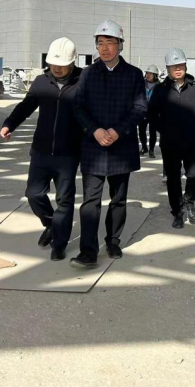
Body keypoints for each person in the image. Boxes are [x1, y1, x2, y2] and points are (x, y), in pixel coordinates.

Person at [70, 20, 148, 269]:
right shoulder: (88, 74)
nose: (104, 48)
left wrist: (117, 131)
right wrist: (94, 130)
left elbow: (140, 108)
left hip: (121, 147)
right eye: (100, 43)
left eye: (109, 43)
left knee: (118, 199)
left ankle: (113, 241)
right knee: (90, 201)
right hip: (93, 147)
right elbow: (78, 106)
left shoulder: (134, 75)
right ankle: (88, 252)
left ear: (120, 45)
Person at [0, 38, 82, 261]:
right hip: (41, 150)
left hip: (68, 153)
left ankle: (59, 244)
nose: (57, 68)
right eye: (53, 63)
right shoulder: (41, 82)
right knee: (33, 194)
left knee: (65, 200)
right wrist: (9, 124)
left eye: (62, 65)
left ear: (72, 62)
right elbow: (25, 106)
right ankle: (51, 223)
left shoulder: (84, 81)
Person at [149, 47, 195, 229]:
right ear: (167, 68)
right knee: (173, 178)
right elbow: (152, 114)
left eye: (181, 65)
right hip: (170, 143)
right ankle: (177, 211)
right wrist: (164, 130)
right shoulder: (160, 90)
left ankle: (189, 201)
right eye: (174, 66)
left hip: (191, 141)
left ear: (186, 65)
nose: (178, 69)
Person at [139, 65, 160, 158]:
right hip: (143, 110)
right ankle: (144, 147)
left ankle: (151, 150)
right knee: (141, 130)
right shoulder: (141, 84)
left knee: (152, 131)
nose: (148, 75)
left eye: (150, 73)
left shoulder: (159, 86)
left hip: (153, 111)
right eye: (147, 73)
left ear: (155, 75)